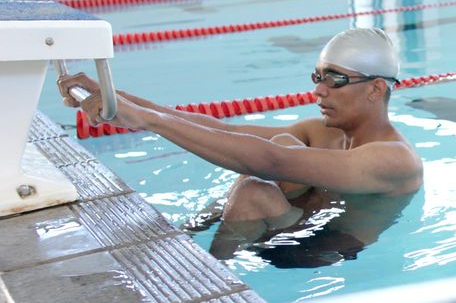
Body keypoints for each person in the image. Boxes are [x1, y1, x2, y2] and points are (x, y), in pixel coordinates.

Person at [59, 28, 423, 266]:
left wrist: (146, 121)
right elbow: (224, 131)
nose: (319, 91)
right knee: (277, 147)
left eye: (335, 79)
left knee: (255, 186)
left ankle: (204, 280)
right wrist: (113, 97)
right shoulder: (321, 133)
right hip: (292, 223)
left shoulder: (392, 159)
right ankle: (187, 236)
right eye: (318, 77)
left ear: (376, 89)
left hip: (319, 249)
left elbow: (268, 161)